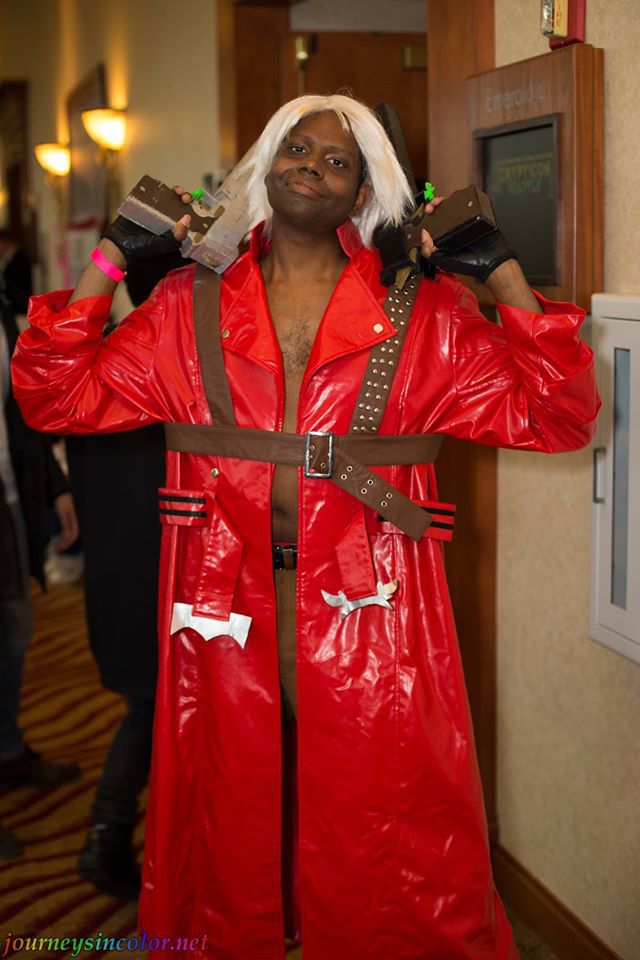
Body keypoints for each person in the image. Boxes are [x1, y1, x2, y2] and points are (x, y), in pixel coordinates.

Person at [12, 95, 599, 958]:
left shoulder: (424, 314)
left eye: (337, 160)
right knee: (222, 816)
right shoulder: (185, 305)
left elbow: (559, 415)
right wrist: (109, 259)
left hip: (377, 615)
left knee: (388, 826)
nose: (311, 166)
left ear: (363, 194)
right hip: (221, 610)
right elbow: (54, 396)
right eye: (297, 148)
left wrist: (501, 272)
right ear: (265, 164)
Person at [68, 254, 181, 898]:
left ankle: (116, 836)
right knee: (156, 708)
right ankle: (107, 836)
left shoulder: (90, 359)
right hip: (157, 569)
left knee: (152, 706)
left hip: (112, 567)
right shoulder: (169, 369)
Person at [0, 300, 80, 860]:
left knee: (13, 633)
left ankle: (6, 751)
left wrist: (55, 484)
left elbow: (20, 406)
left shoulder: (4, 307)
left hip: (7, 501)